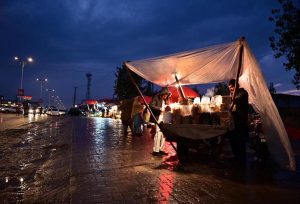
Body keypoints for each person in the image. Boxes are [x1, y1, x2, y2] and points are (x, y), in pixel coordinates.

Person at [228, 78, 249, 165]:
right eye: (229, 87)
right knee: (233, 140)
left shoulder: (243, 93)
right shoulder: (233, 94)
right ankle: (236, 156)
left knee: (240, 140)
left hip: (241, 120)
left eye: (232, 87)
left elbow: (236, 100)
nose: (231, 89)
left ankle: (241, 159)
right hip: (234, 121)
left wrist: (232, 97)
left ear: (236, 86)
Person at [149, 87, 171, 156]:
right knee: (158, 133)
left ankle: (161, 149)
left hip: (164, 118)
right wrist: (160, 108)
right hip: (158, 117)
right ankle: (156, 151)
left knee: (164, 134)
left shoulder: (166, 99)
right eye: (164, 95)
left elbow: (167, 107)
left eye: (167, 95)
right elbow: (151, 105)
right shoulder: (156, 97)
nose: (165, 96)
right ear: (162, 94)